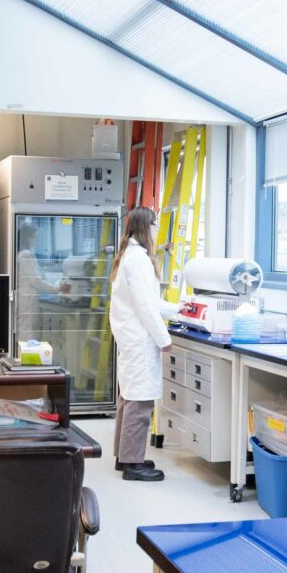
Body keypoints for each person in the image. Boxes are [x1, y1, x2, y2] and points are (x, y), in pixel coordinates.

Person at [107, 206, 171, 483]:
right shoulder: (139, 260)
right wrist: (164, 339)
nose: (157, 230)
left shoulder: (129, 256)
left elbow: (149, 302)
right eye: (155, 225)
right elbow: (146, 307)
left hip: (130, 337)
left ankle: (124, 457)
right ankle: (133, 465)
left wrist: (180, 309)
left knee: (129, 397)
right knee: (140, 402)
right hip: (140, 338)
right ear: (147, 227)